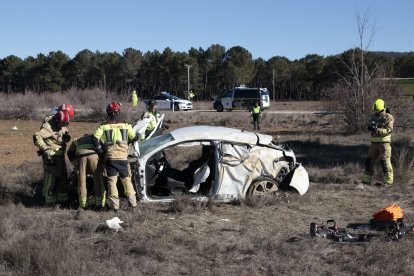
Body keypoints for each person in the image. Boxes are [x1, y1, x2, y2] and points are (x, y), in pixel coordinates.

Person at [92, 102, 139, 212]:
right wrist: (137, 136)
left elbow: (94, 138)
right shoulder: (126, 125)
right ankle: (133, 204)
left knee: (112, 182)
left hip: (111, 159)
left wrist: (100, 151)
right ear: (118, 112)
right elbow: (133, 137)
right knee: (127, 181)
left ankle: (115, 207)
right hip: (123, 159)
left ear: (108, 113)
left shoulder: (103, 126)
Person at [33, 110, 72, 205]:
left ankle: (62, 199)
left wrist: (66, 138)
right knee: (51, 178)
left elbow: (63, 135)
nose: (63, 125)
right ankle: (49, 200)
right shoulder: (47, 127)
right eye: (63, 123)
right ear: (57, 121)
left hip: (60, 155)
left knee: (63, 177)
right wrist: (45, 150)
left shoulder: (62, 124)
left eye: (66, 124)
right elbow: (36, 136)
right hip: (51, 156)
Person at [67, 134, 106, 210]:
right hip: (94, 156)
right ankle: (99, 204)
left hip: (81, 157)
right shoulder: (97, 138)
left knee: (81, 181)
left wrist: (75, 163)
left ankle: (83, 204)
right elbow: (104, 150)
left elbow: (69, 152)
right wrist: (102, 162)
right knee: (98, 180)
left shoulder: (77, 139)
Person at [362, 98, 394, 186]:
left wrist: (377, 129)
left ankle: (388, 182)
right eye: (375, 111)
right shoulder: (373, 117)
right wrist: (369, 127)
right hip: (373, 144)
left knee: (385, 163)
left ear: (383, 109)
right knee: (369, 162)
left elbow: (389, 130)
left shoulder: (388, 117)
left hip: (384, 144)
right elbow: (368, 125)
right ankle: (366, 181)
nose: (376, 112)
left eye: (378, 111)